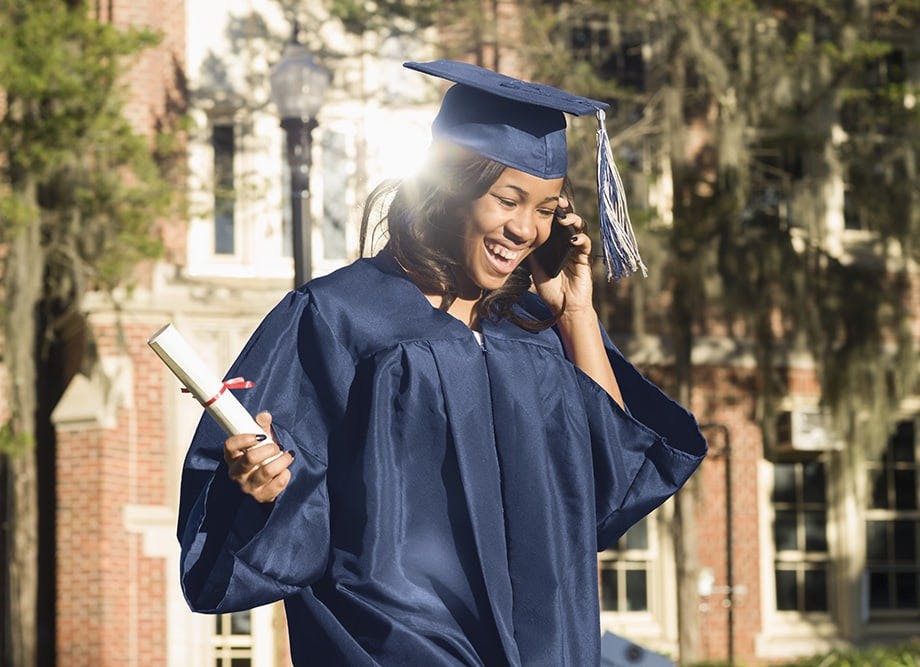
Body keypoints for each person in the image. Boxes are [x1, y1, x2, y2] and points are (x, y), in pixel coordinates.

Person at [177, 60, 706, 665]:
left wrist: (575, 314)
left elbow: (603, 484)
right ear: (450, 187)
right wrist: (258, 485)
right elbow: (277, 511)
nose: (525, 228)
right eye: (508, 199)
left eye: (546, 208)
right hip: (397, 647)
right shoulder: (338, 318)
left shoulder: (530, 329)